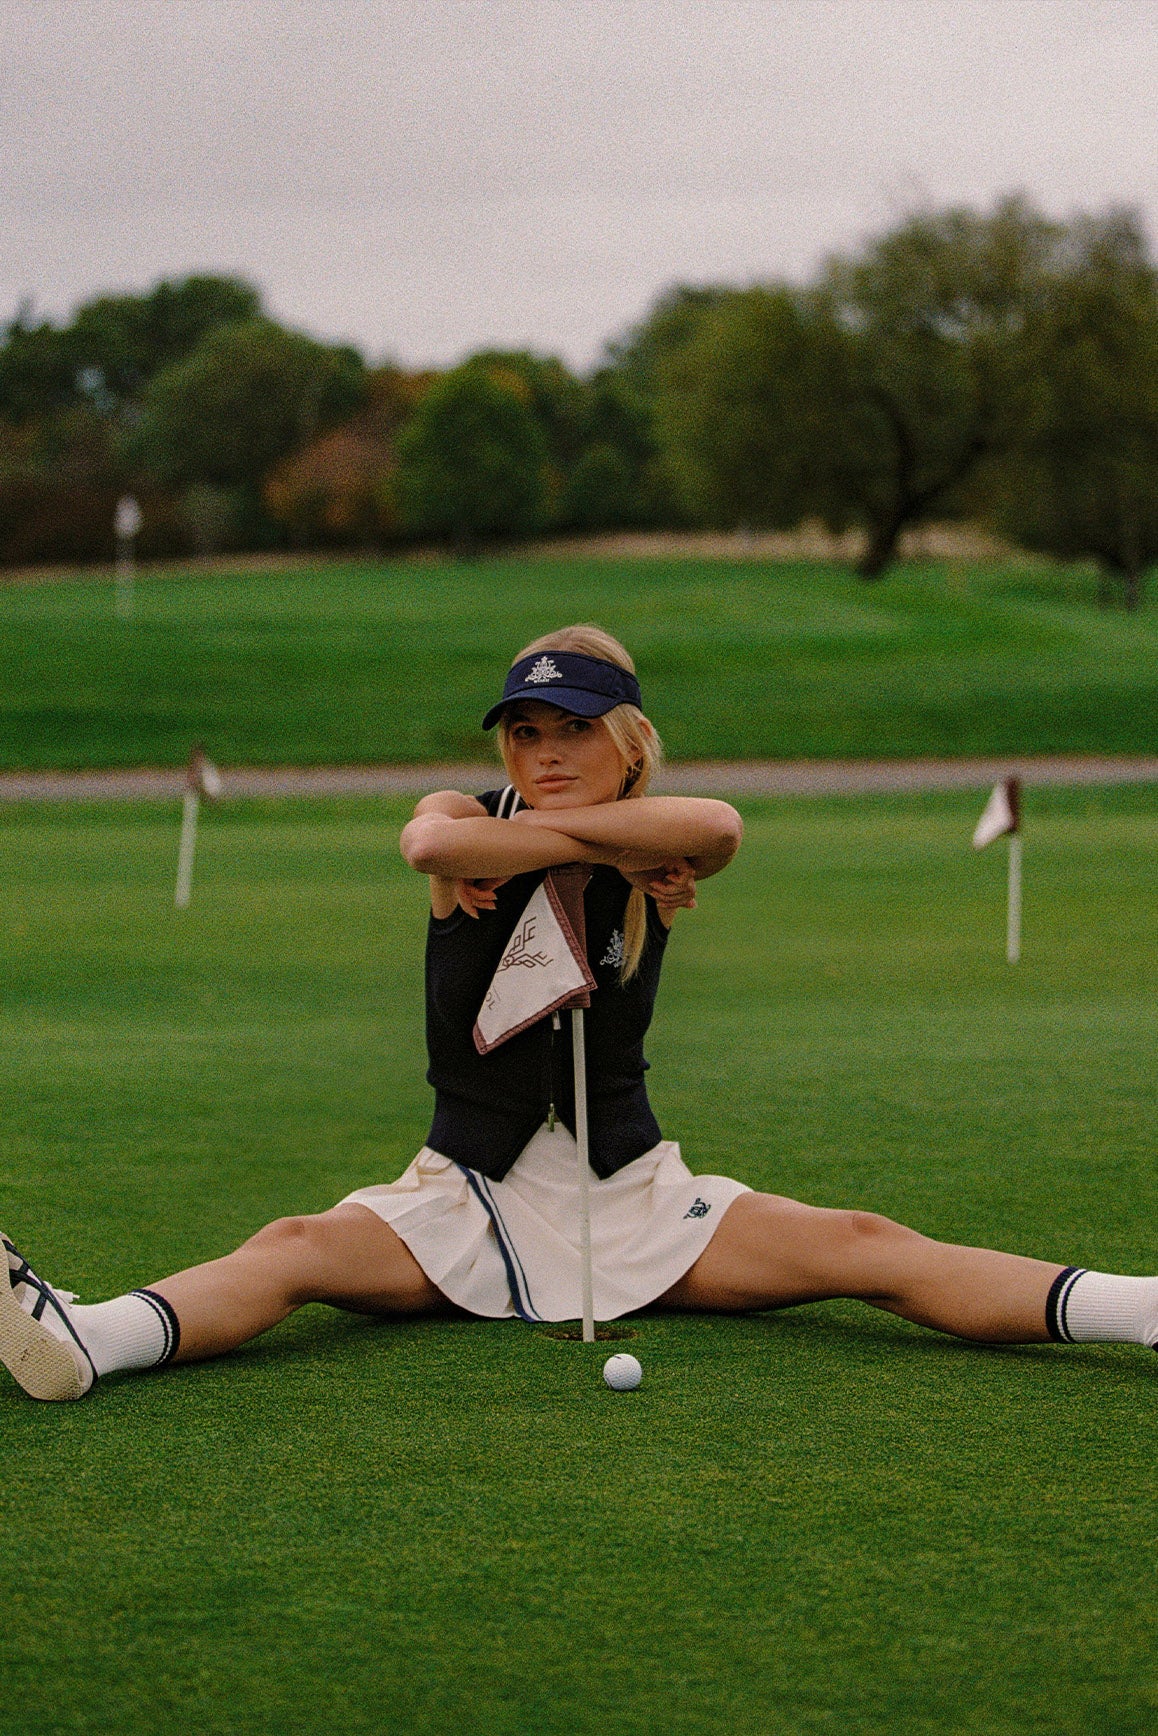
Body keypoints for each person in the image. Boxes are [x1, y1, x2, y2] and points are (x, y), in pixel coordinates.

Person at [2, 623, 1155, 1403]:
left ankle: (1138, 1306)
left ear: (628, 739)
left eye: (575, 732)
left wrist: (606, 844)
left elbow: (723, 827)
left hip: (635, 1191)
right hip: (464, 1187)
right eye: (527, 733)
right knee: (295, 1248)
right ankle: (90, 1335)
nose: (545, 754)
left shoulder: (674, 832)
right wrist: (594, 840)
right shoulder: (472, 811)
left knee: (862, 1244)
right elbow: (433, 840)